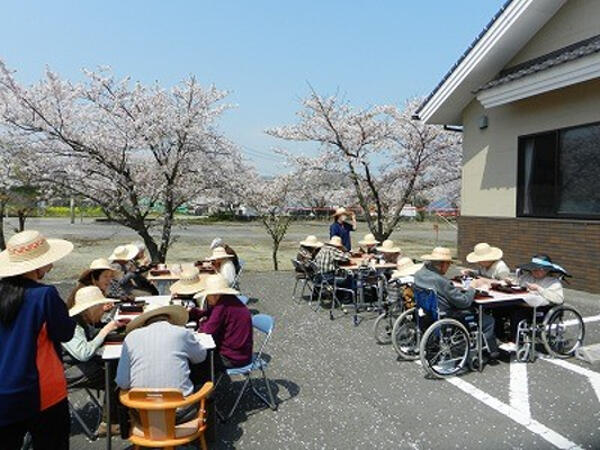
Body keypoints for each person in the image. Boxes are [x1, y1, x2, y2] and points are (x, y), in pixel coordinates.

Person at [0, 230, 76, 450]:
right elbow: (65, 333)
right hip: (42, 392)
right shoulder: (44, 296)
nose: (50, 265)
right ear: (37, 265)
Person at [115, 305, 207, 423]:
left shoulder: (131, 338)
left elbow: (123, 382)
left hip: (143, 415)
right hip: (180, 414)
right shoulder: (182, 333)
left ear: (144, 322)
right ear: (170, 319)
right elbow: (201, 357)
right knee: (203, 378)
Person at [414, 247, 499, 359]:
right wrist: (472, 287)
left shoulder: (420, 274)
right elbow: (464, 302)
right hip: (449, 314)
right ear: (443, 264)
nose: (448, 268)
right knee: (488, 320)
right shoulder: (441, 281)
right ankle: (491, 352)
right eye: (448, 264)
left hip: (428, 310)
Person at [62, 286, 121, 436]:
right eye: (101, 307)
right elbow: (83, 353)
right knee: (113, 377)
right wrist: (105, 331)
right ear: (90, 308)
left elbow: (91, 335)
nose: (103, 310)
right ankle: (109, 423)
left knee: (113, 369)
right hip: (64, 370)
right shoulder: (72, 324)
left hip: (73, 365)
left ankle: (114, 415)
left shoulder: (81, 319)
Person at [191, 274, 253, 372]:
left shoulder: (222, 306)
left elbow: (207, 331)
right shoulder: (227, 300)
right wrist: (193, 313)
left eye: (207, 295)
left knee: (193, 361)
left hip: (233, 358)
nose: (206, 298)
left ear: (215, 295)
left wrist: (202, 323)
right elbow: (209, 313)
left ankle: (204, 385)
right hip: (242, 353)